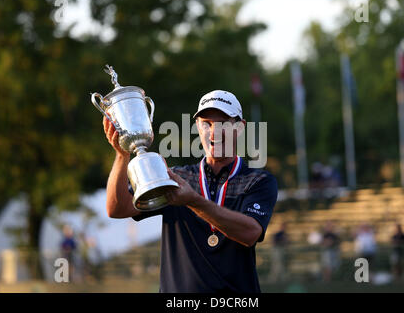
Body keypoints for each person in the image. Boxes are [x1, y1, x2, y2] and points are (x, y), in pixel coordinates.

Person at [103, 90, 278, 292]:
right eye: (207, 124)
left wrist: (193, 200)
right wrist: (122, 155)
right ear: (197, 127)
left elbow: (250, 233)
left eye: (223, 123)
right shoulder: (175, 177)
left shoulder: (258, 180)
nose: (213, 132)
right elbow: (117, 208)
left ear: (239, 127)